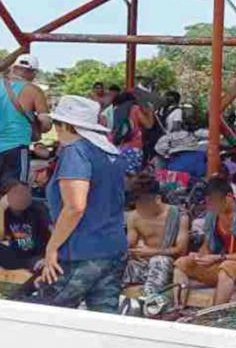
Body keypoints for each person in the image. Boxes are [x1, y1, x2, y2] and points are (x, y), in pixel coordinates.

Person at [32, 95, 127, 313]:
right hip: (112, 248)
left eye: (57, 123)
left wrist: (51, 248)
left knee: (44, 316)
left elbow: (75, 206)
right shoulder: (109, 152)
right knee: (103, 322)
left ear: (67, 125)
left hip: (81, 251)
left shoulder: (77, 151)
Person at [174, 177, 236, 306]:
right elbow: (207, 246)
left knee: (228, 267)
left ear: (229, 197)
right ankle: (178, 306)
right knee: (182, 263)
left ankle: (215, 314)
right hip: (222, 265)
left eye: (215, 202)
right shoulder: (212, 214)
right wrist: (199, 256)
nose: (212, 207)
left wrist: (219, 257)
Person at [123, 174, 190, 296]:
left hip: (168, 266)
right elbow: (129, 245)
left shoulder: (179, 216)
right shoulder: (133, 217)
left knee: (159, 260)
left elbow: (181, 250)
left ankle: (150, 299)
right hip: (141, 265)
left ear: (157, 199)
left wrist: (152, 252)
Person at [0, 54, 51, 183]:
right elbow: (46, 124)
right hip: (16, 146)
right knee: (15, 191)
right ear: (32, 72)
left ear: (14, 68)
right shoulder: (34, 91)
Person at [0, 179, 51, 270]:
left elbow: (37, 241)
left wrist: (11, 243)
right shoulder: (4, 211)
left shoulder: (37, 209)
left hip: (36, 253)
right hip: (16, 254)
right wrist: (1, 209)